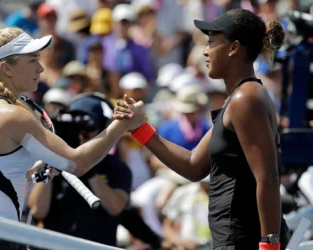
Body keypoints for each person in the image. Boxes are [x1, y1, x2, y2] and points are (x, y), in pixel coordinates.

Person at [113, 9, 291, 250]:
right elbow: (193, 165)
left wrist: (269, 244)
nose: (205, 51)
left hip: (245, 243)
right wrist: (140, 128)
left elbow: (267, 177)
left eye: (211, 42)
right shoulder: (238, 100)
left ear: (233, 48)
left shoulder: (245, 99)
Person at [0, 25, 145, 222]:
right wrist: (123, 125)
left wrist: (39, 165)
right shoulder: (12, 115)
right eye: (32, 60)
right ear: (6, 68)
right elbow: (77, 164)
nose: (40, 68)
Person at [28, 93, 132, 246]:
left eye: (89, 125)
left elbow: (115, 207)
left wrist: (86, 167)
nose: (81, 134)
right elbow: (37, 209)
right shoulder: (53, 162)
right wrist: (53, 161)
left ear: (103, 128)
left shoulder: (117, 168)